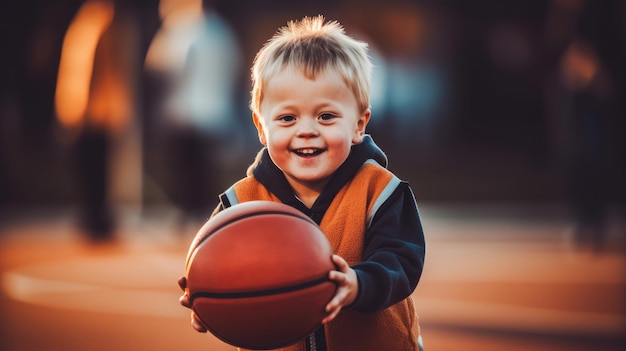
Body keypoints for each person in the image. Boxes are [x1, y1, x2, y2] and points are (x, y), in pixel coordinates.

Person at [178, 16, 426, 351]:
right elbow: (219, 268)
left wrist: (358, 283)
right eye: (287, 118)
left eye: (326, 116)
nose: (306, 130)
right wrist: (207, 298)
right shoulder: (241, 203)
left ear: (358, 124)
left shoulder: (379, 192)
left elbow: (401, 263)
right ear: (261, 128)